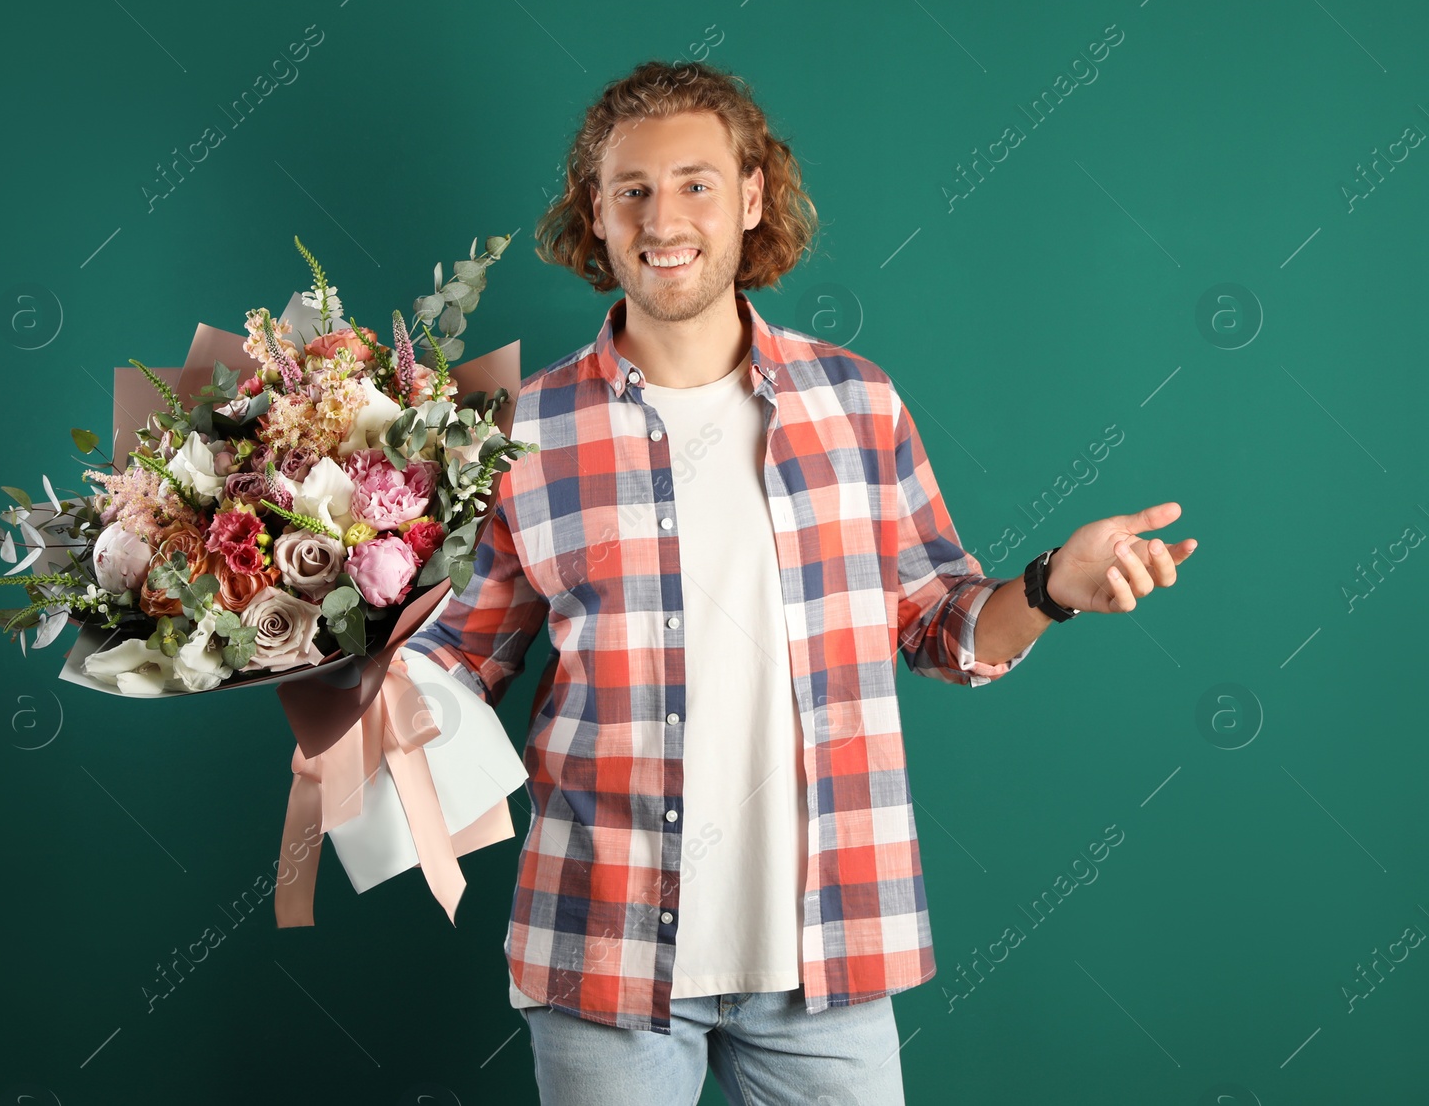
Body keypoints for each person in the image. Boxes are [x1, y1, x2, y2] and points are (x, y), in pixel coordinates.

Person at [402, 59, 1196, 1105]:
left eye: (694, 182)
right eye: (630, 189)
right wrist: (305, 650)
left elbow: (940, 626)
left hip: (829, 951)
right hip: (602, 949)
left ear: (751, 196)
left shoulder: (856, 404)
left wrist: (1048, 587)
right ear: (593, 215)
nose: (662, 216)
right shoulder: (518, 435)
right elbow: (458, 658)